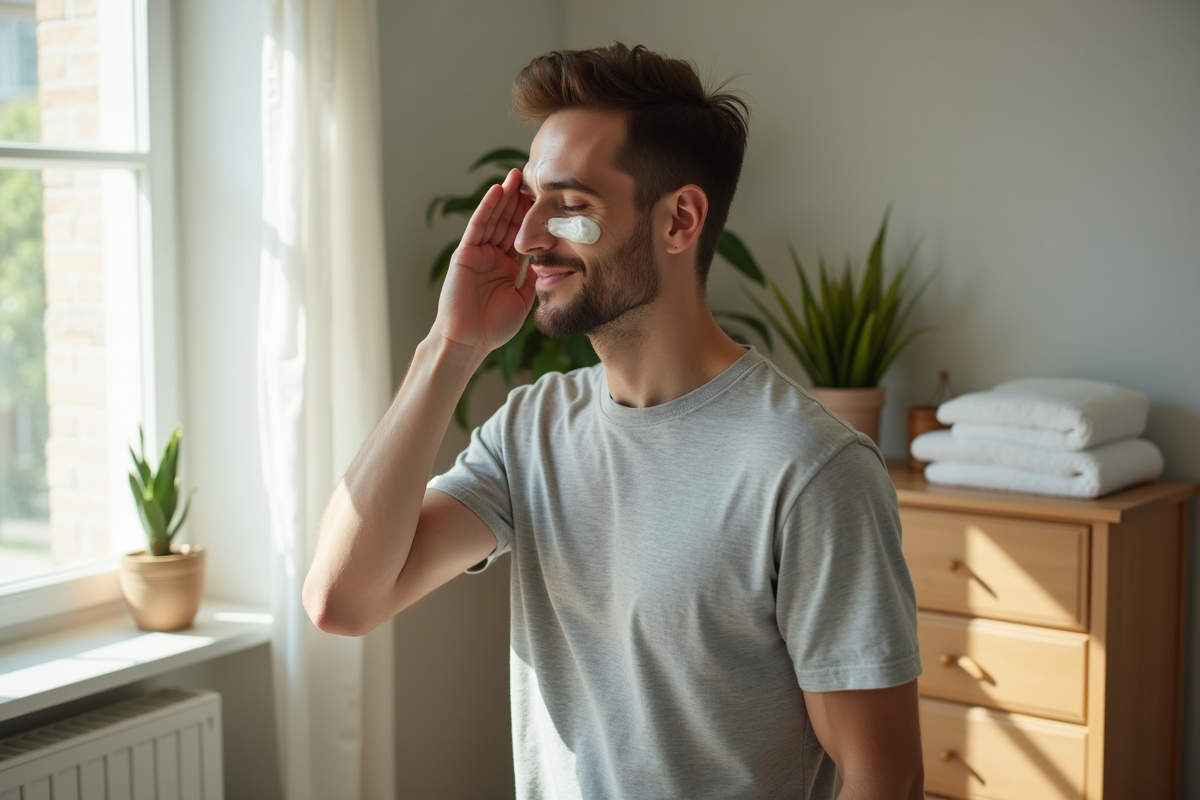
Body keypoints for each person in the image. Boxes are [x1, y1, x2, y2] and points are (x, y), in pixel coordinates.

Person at [303, 43, 924, 800]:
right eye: (529, 198)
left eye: (569, 206)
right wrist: (450, 345)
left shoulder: (809, 470)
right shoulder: (532, 431)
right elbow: (342, 599)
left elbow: (881, 775)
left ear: (679, 221)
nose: (529, 237)